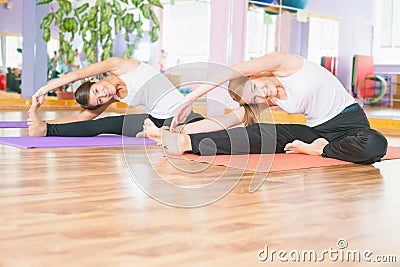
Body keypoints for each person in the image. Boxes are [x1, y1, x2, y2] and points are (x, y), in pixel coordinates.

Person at [145, 52, 388, 164]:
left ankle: (320, 151)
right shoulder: (268, 99)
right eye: (255, 98)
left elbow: (231, 71)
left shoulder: (286, 64)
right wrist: (181, 132)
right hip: (316, 132)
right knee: (259, 131)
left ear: (257, 75)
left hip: (350, 124)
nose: (263, 94)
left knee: (376, 144)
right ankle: (185, 144)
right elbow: (226, 122)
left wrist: (190, 99)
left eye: (256, 87)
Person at [28, 57, 204, 137]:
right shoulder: (112, 96)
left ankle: (164, 134)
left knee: (202, 128)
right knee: (102, 124)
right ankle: (45, 131)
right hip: (155, 120)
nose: (104, 95)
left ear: (95, 80)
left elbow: (75, 75)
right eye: (99, 101)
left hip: (181, 116)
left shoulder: (119, 65)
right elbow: (80, 118)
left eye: (97, 91)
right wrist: (45, 125)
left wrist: (43, 90)